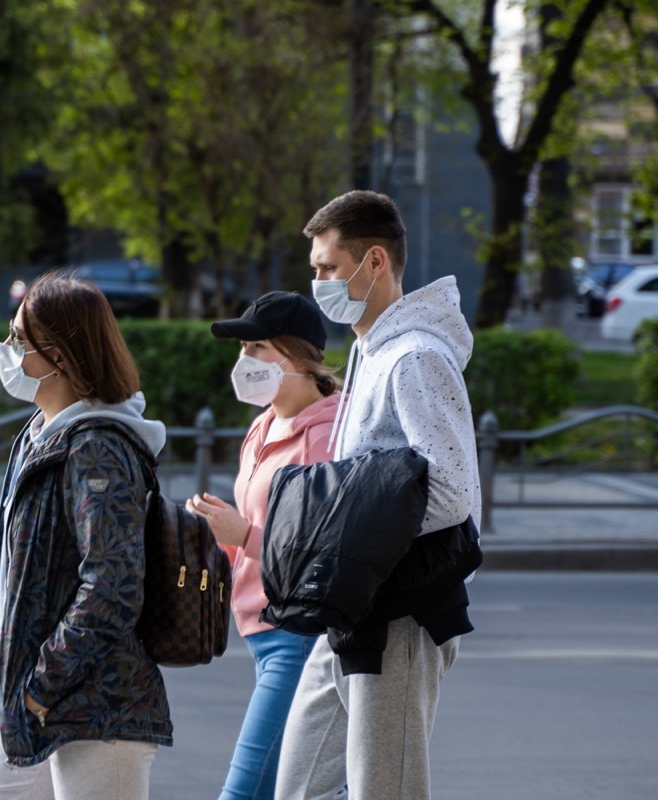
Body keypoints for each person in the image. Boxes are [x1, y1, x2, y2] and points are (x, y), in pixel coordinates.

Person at [274, 190, 481, 800]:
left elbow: (453, 491)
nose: (317, 282)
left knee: (383, 792)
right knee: (301, 789)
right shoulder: (373, 351)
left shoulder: (414, 357)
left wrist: (340, 535)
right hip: (352, 607)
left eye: (327, 268)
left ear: (374, 264)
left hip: (402, 612)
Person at [0, 271, 172, 800]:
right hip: (38, 705)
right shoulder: (40, 438)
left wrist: (39, 687)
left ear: (58, 356)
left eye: (18, 339)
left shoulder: (98, 448)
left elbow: (113, 584)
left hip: (99, 711)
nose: (7, 350)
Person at [184, 292, 341, 800]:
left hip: (296, 633)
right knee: (294, 789)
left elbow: (324, 551)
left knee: (245, 791)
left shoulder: (327, 436)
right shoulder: (264, 424)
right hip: (259, 630)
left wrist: (244, 536)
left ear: (298, 358)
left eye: (257, 348)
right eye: (242, 349)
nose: (244, 361)